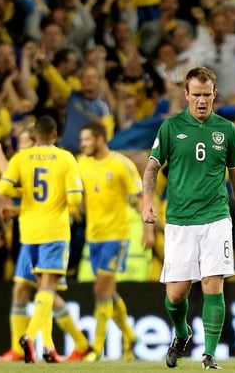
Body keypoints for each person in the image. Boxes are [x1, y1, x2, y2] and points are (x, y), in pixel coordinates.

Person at [142, 67, 235, 370]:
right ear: (186, 95)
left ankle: (209, 354)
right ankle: (182, 332)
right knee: (176, 294)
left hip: (216, 217)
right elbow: (151, 169)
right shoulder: (171, 127)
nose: (202, 101)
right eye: (196, 95)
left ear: (214, 95)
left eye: (207, 95)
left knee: (213, 284)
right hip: (179, 220)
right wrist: (147, 202)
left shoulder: (227, 130)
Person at [0, 131, 91, 363]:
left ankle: (43, 344)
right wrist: (16, 209)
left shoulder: (45, 162)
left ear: (36, 142)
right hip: (29, 232)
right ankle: (50, 346)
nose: (21, 148)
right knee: (27, 290)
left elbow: (17, 183)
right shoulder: (29, 164)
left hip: (49, 233)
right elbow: (33, 195)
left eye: (25, 142)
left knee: (44, 290)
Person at [78, 120, 146, 361]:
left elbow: (139, 197)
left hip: (116, 236)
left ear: (100, 139)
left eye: (87, 139)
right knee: (108, 291)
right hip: (93, 236)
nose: (83, 144)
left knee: (100, 289)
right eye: (82, 140)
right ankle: (130, 336)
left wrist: (148, 228)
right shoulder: (81, 163)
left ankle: (96, 347)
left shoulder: (121, 164)